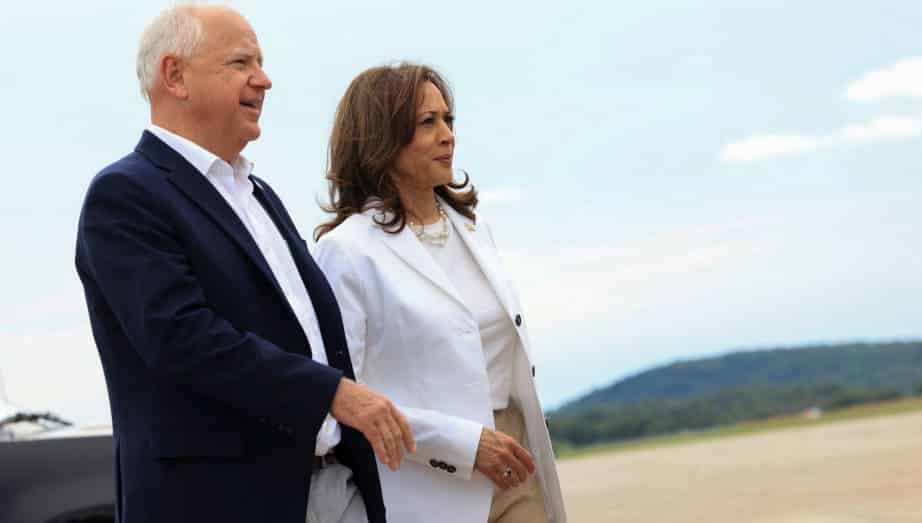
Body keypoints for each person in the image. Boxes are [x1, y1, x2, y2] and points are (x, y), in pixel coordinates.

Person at [74, 6, 414, 523]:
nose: (264, 79)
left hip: (332, 486)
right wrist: (331, 393)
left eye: (261, 62)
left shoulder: (259, 195)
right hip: (219, 501)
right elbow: (182, 338)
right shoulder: (124, 195)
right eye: (241, 62)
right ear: (175, 75)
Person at [313, 63, 567, 523]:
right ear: (380, 138)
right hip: (423, 482)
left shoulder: (476, 230)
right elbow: (346, 396)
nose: (447, 135)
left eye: (448, 120)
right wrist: (463, 444)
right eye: (427, 122)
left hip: (514, 460)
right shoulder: (345, 251)